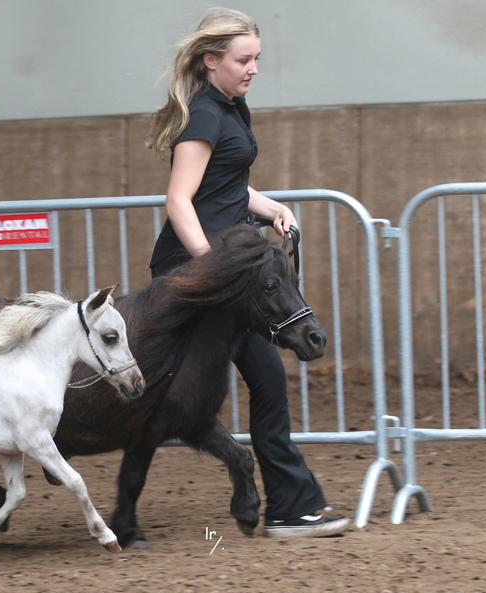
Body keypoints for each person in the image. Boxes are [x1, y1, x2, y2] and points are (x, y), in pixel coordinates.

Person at [147, 9, 348, 538]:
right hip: (200, 270)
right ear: (211, 61)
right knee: (258, 379)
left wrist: (272, 207)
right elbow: (179, 199)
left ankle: (291, 505)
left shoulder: (230, 107)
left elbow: (228, 184)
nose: (253, 68)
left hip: (223, 268)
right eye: (243, 60)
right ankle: (290, 508)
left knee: (262, 379)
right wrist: (209, 264)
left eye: (256, 58)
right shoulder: (204, 115)